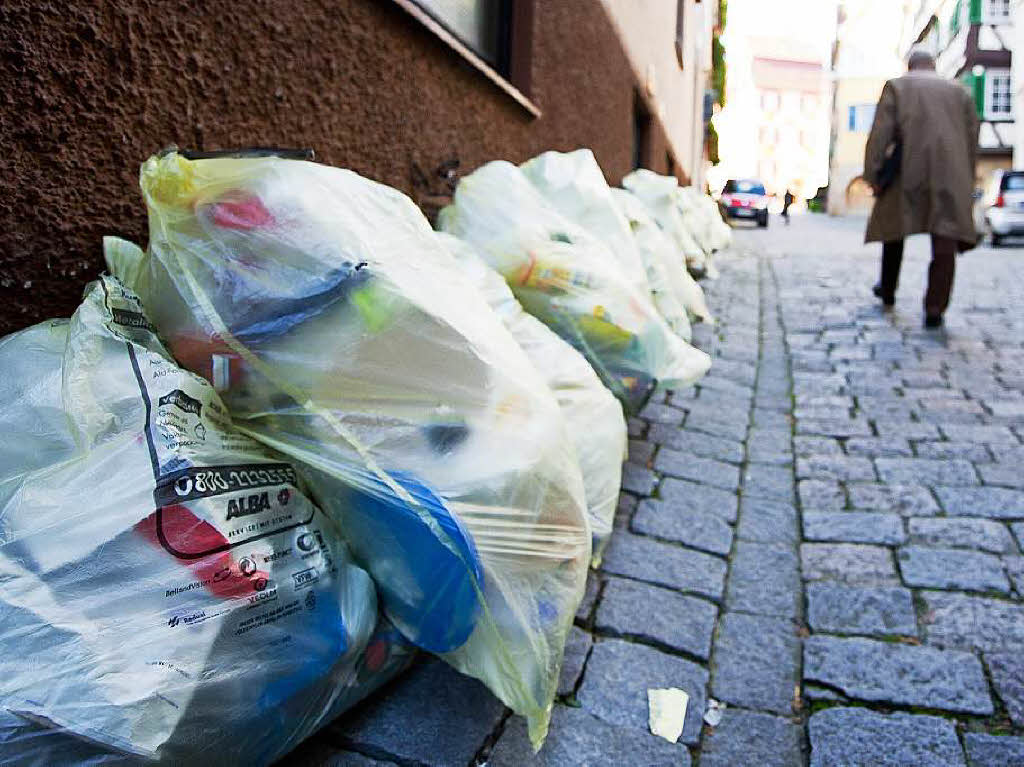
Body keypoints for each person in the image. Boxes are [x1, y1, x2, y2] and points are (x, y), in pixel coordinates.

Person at [863, 49, 979, 328]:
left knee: (893, 228)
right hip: (951, 174)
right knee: (945, 240)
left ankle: (888, 288)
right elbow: (972, 137)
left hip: (907, 169)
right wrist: (968, 177)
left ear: (909, 65)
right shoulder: (960, 91)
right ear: (933, 65)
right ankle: (934, 307)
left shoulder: (897, 86)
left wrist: (873, 174)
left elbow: (881, 134)